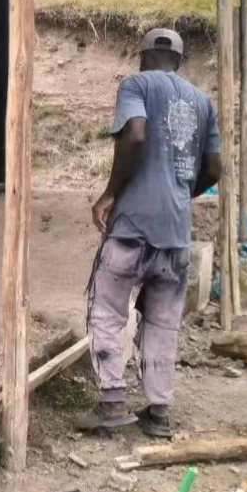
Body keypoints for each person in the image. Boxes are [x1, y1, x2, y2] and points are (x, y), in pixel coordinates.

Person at [75, 27, 220, 439]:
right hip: (175, 236)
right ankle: (158, 413)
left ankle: (114, 404)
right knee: (162, 323)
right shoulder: (203, 102)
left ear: (141, 56)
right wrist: (179, 194)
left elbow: (135, 134)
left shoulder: (136, 84)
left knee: (106, 310)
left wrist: (110, 192)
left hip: (131, 229)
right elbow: (213, 168)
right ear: (180, 60)